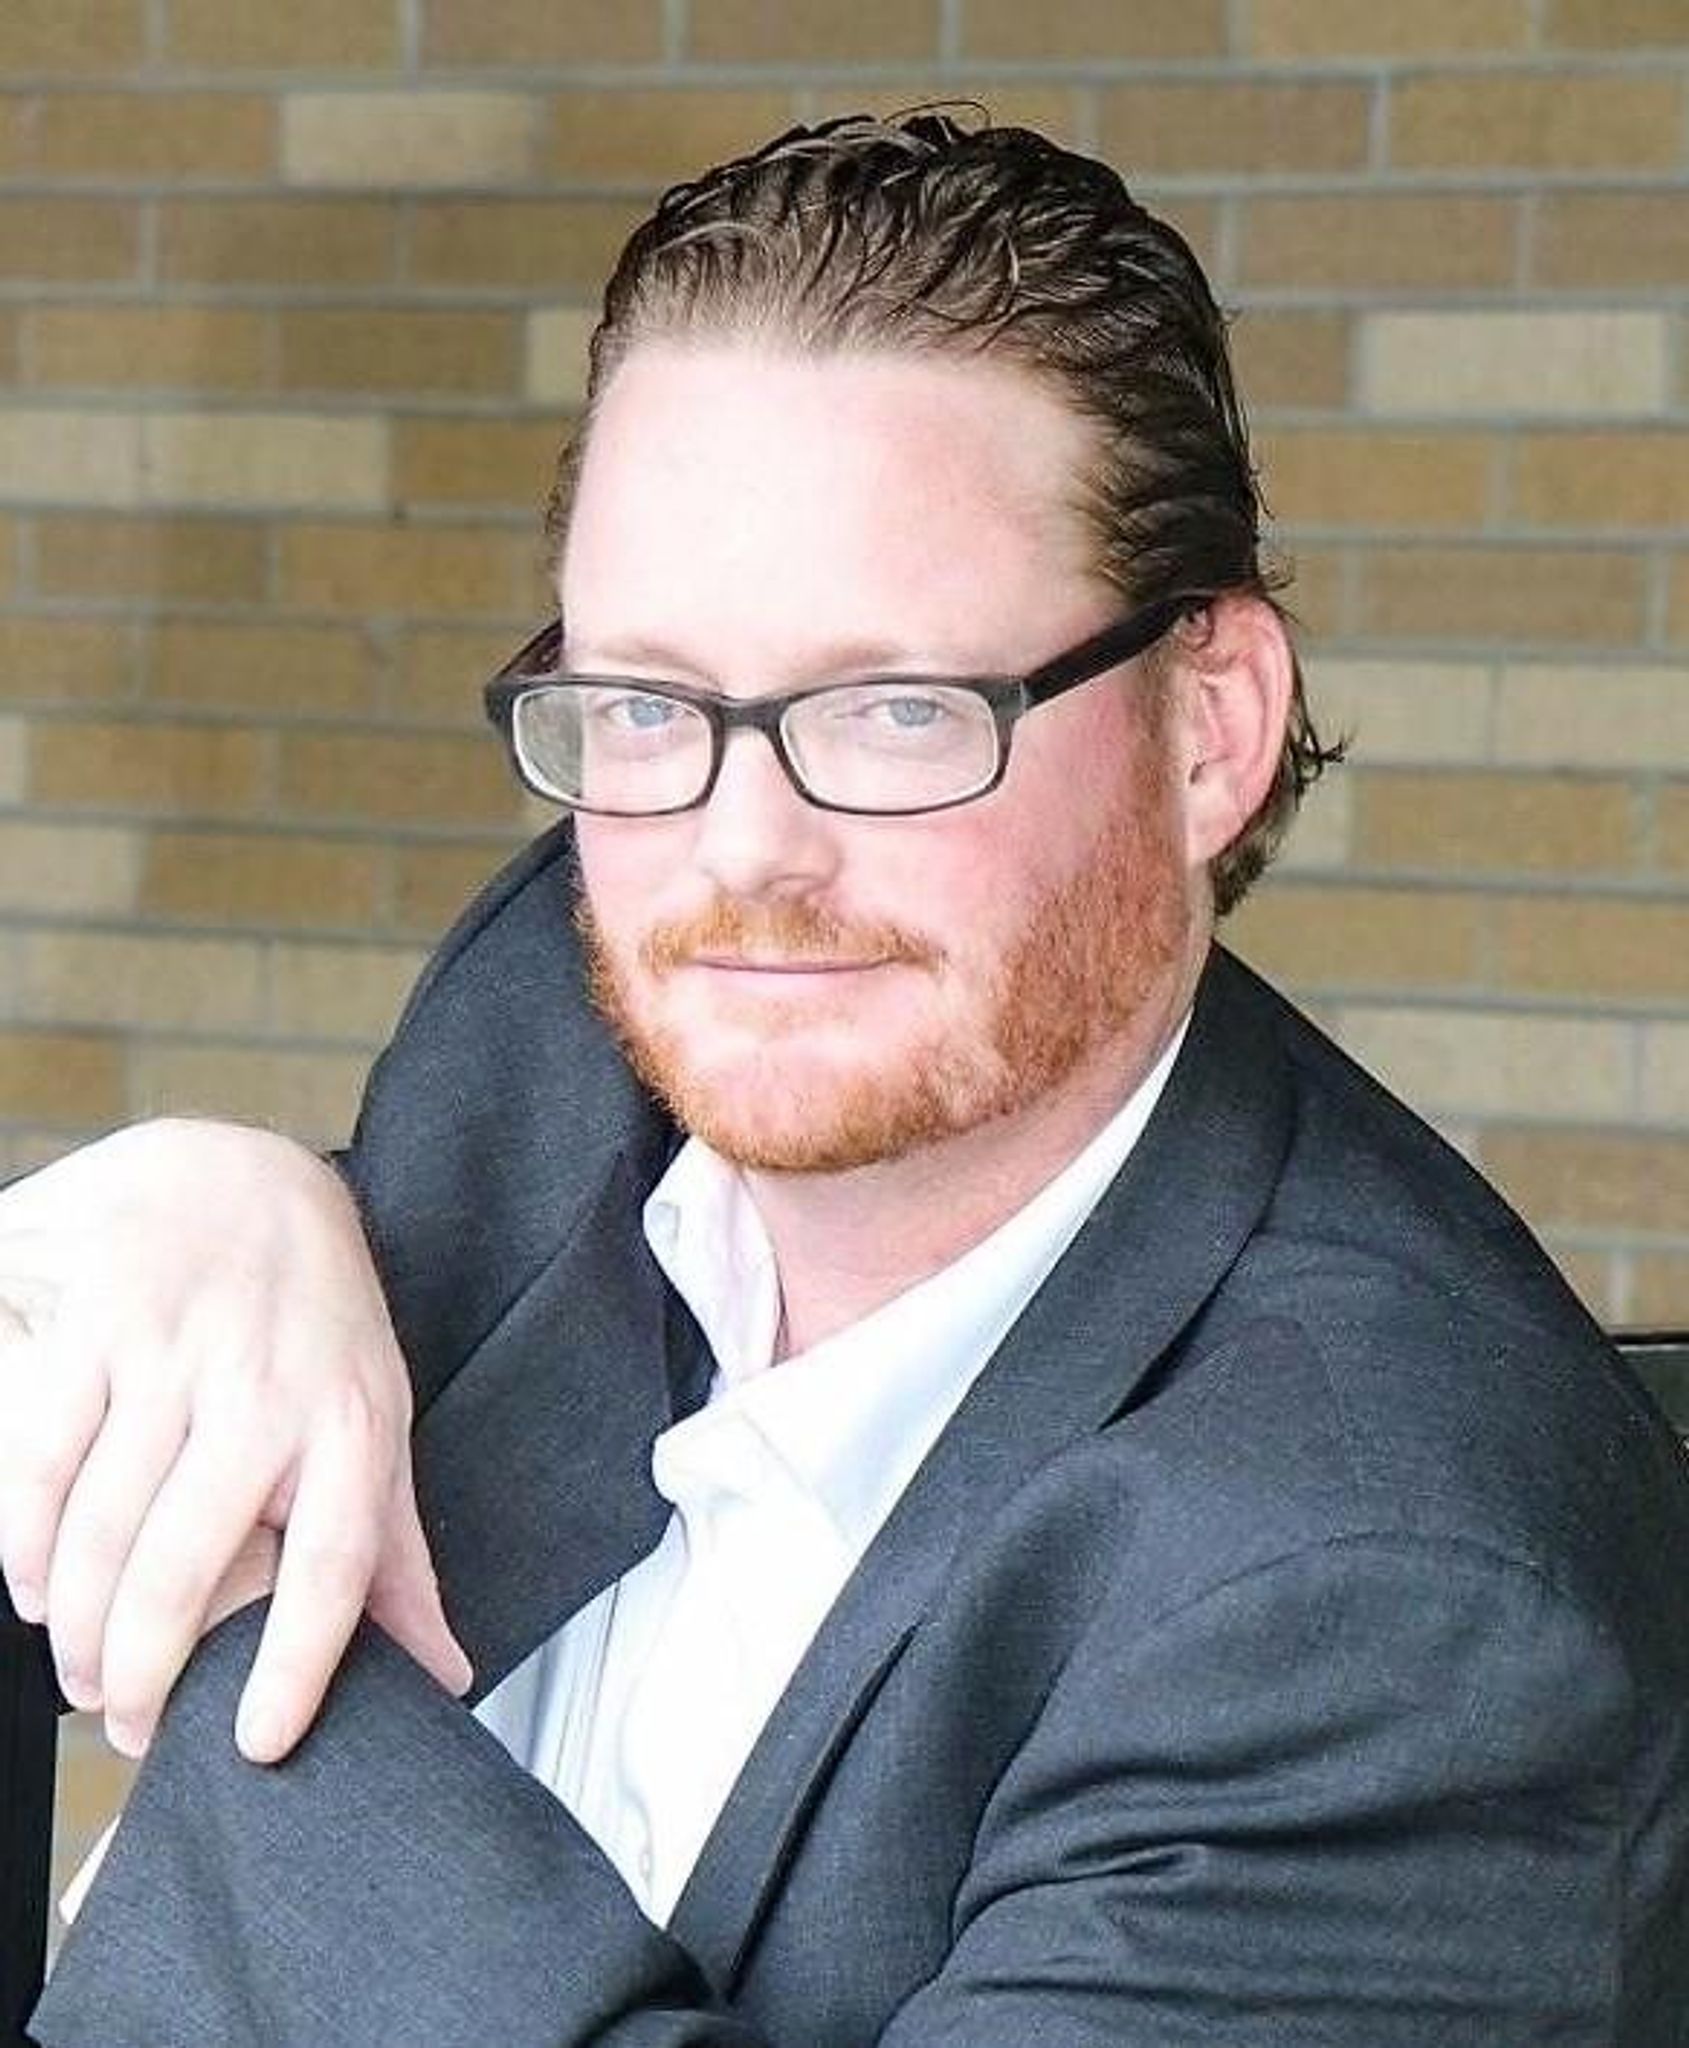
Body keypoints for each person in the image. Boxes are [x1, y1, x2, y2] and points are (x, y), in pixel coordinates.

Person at [4, 111, 1688, 2046]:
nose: (742, 855)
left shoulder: (1399, 1613)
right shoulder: (566, 1027)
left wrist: (245, 1638)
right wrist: (213, 1200)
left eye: (896, 711)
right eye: (649, 702)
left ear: (1207, 731)